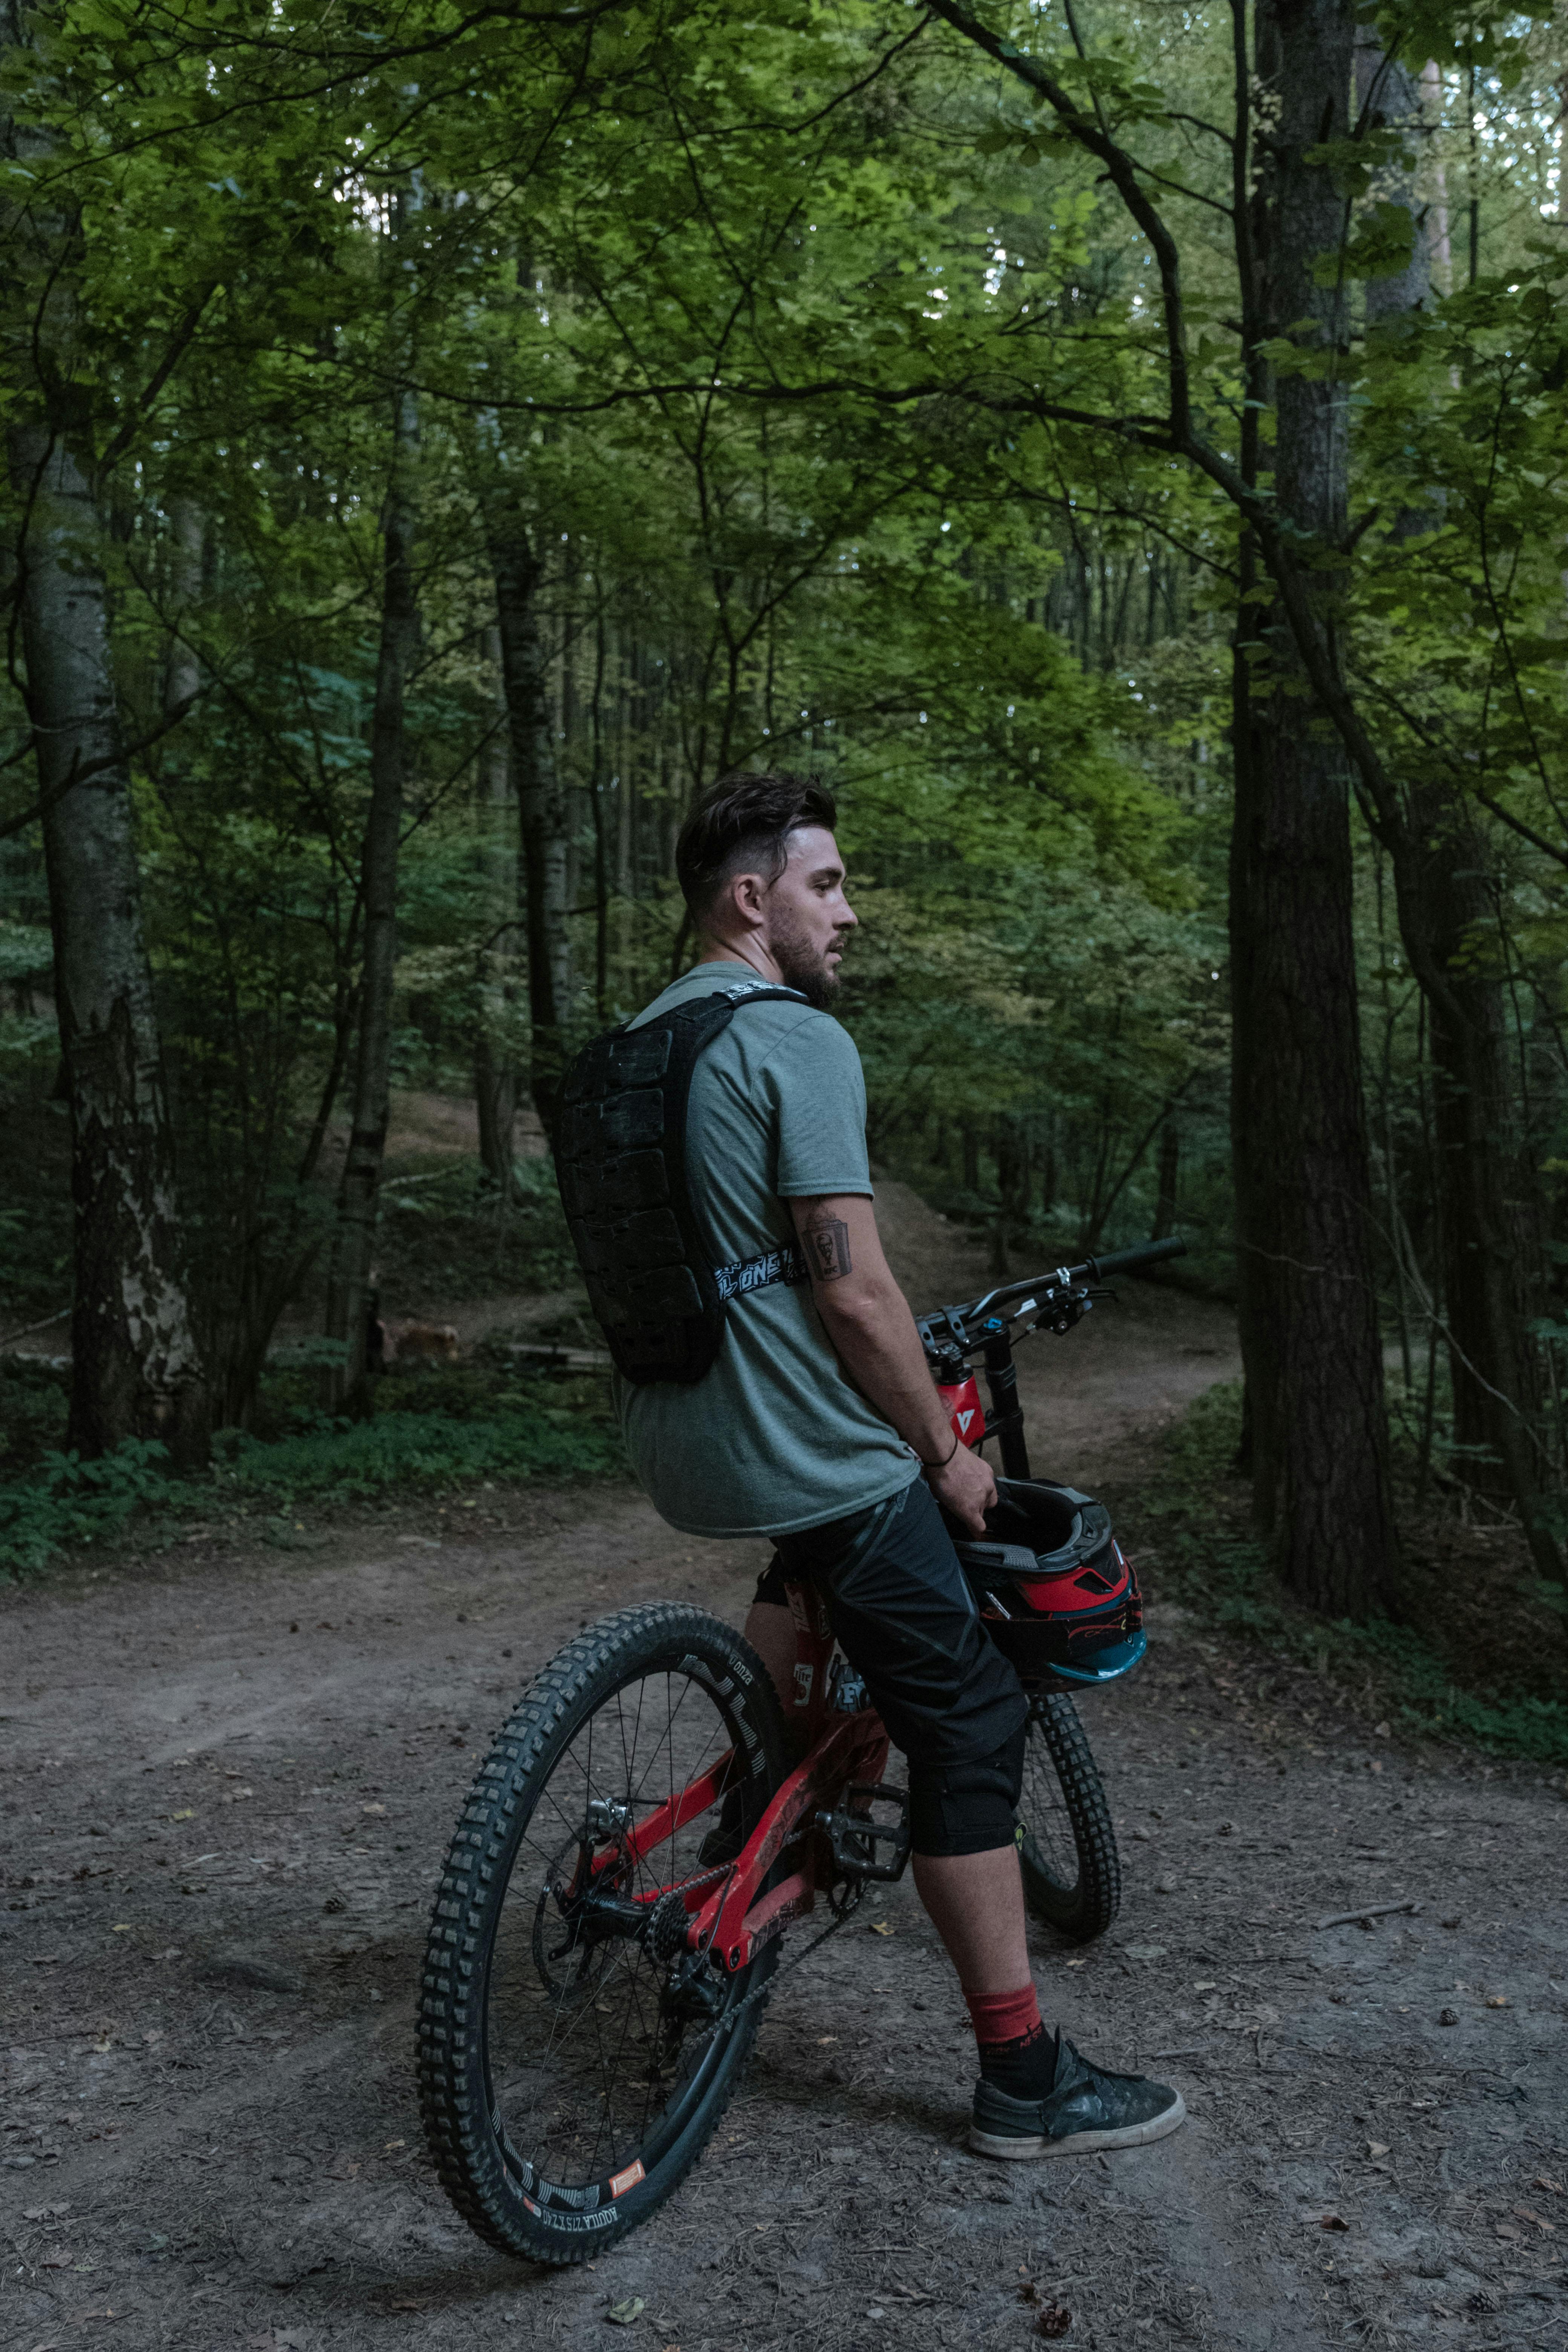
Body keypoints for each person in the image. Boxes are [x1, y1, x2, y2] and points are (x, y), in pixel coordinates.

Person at [616, 769, 1185, 2161]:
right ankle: (1023, 2079)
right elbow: (854, 1294)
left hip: (680, 1439)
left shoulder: (641, 1041)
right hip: (801, 1448)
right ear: (753, 901)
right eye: (827, 884)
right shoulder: (794, 1038)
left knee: (828, 1572)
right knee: (975, 1722)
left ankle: (764, 1810)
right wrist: (944, 1454)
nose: (849, 914)